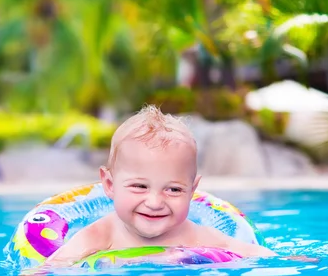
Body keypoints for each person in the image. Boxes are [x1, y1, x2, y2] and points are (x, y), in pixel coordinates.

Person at [44, 105, 278, 267]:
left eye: (174, 189)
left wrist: (287, 261)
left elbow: (253, 253)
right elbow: (55, 266)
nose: (155, 203)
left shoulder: (198, 235)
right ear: (109, 184)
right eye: (139, 186)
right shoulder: (100, 235)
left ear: (192, 190)